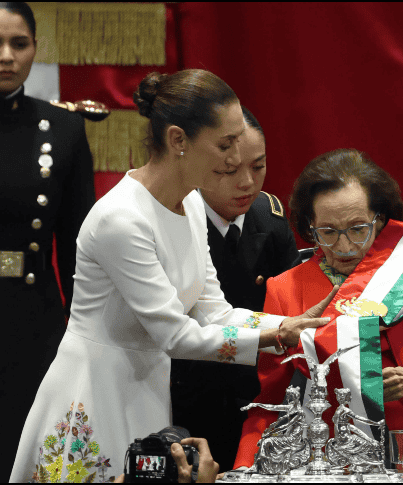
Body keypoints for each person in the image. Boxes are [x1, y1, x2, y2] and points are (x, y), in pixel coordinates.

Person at [10, 69, 335, 483]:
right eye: (226, 143)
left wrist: (286, 324)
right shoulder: (121, 219)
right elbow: (176, 336)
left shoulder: (193, 204)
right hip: (95, 391)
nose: (237, 158)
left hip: (147, 387)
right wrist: (275, 336)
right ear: (178, 140)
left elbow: (214, 312)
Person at [235, 149, 403, 481]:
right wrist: (245, 469)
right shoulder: (285, 289)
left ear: (381, 220)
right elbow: (273, 399)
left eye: (358, 228)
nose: (344, 246)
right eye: (327, 231)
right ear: (309, 227)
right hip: (329, 465)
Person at [170, 105, 301, 470]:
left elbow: (290, 303)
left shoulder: (269, 217)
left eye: (258, 166)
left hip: (253, 392)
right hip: (182, 390)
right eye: (229, 170)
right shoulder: (175, 218)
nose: (246, 182)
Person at [0, 2, 95, 481]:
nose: (6, 56)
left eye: (19, 43)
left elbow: (79, 247)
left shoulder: (63, 129)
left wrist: (85, 335)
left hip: (31, 316)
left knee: (25, 448)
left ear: (35, 48)